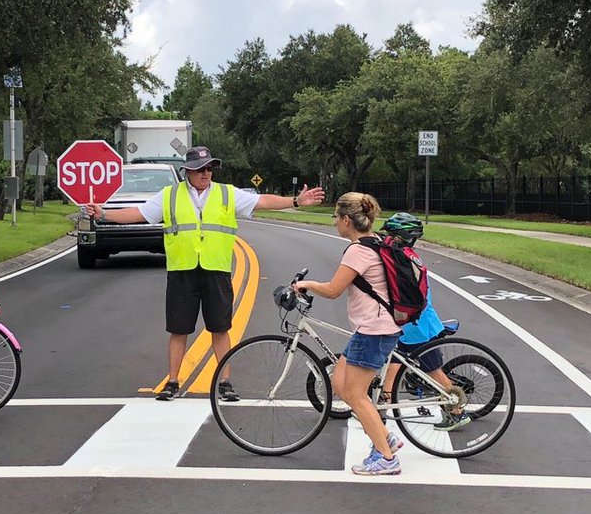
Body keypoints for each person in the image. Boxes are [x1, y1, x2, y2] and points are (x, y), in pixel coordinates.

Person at [85, 146, 325, 400]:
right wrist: (104, 214)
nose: (206, 173)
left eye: (209, 168)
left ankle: (225, 382)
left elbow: (262, 201)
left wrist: (296, 201)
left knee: (220, 328)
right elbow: (139, 214)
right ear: (187, 171)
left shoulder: (226, 193)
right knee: (179, 329)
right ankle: (173, 382)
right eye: (200, 169)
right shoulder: (170, 195)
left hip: (216, 270)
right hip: (182, 270)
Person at [292, 192, 404, 476]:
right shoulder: (375, 241)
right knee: (341, 386)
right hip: (370, 328)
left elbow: (333, 290)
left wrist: (307, 284)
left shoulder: (358, 250)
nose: (334, 224)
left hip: (374, 330)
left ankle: (386, 458)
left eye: (335, 219)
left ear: (346, 220)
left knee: (355, 395)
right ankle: (385, 438)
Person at [378, 212, 470, 430]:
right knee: (393, 367)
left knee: (434, 373)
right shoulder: (405, 257)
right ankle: (379, 411)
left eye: (391, 235)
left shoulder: (402, 260)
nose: (387, 238)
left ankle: (456, 411)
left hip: (419, 329)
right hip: (411, 327)